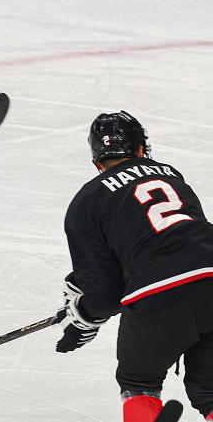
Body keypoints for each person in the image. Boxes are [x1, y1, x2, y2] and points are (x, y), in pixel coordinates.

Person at [52, 110, 213, 422]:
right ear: (141, 150)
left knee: (140, 381)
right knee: (209, 389)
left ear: (97, 160)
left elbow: (106, 294)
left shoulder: (86, 202)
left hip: (161, 292)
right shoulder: (174, 179)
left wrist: (83, 316)